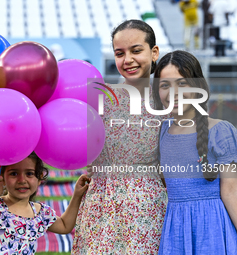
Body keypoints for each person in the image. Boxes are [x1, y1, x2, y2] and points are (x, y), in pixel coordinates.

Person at [72, 19, 168, 254]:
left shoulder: (167, 104)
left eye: (136, 50)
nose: (128, 60)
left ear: (154, 52)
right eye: (119, 53)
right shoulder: (99, 100)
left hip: (147, 211)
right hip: (100, 208)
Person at [152, 50, 237, 254]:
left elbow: (231, 190)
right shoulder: (161, 132)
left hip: (213, 231)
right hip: (176, 233)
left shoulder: (221, 131)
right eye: (165, 85)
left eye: (182, 83)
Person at [0, 152, 90, 255]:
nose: (22, 180)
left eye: (29, 173)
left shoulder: (40, 213)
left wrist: (77, 195)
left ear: (39, 178)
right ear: (3, 179)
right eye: (14, 173)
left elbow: (65, 225)